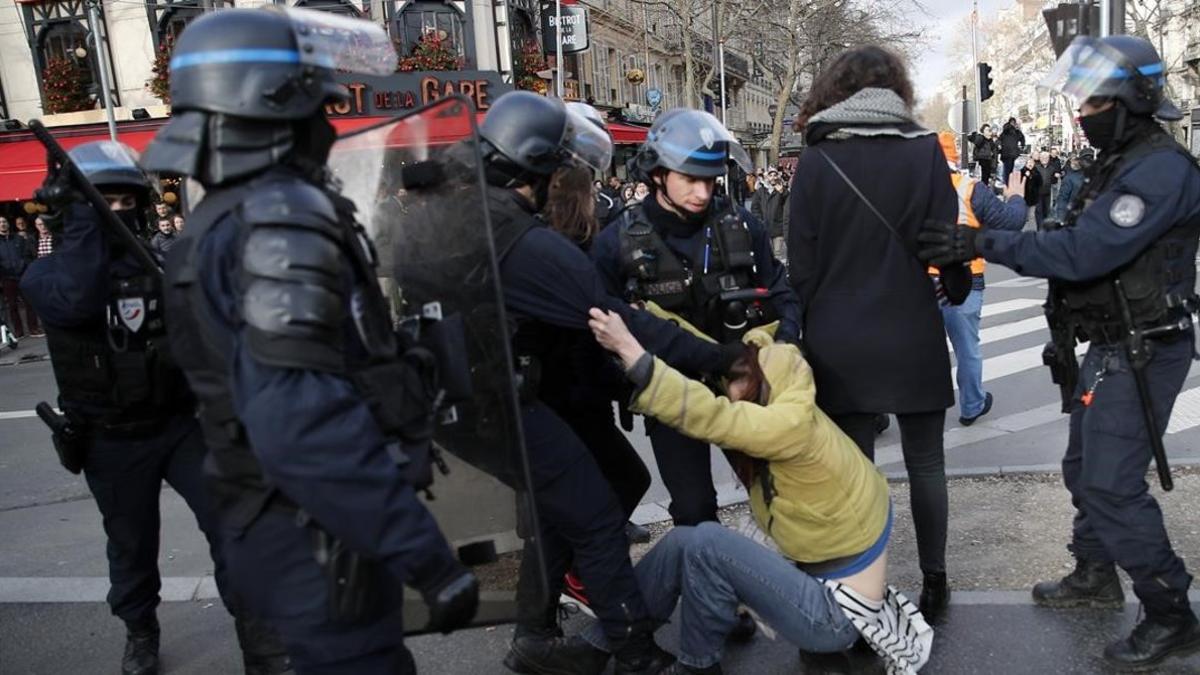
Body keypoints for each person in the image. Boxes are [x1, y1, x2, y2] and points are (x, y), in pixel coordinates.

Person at [141, 8, 479, 672]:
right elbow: (302, 424)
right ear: (274, 115)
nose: (328, 127)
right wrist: (427, 558)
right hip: (318, 542)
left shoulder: (219, 223)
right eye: (314, 111)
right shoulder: (277, 226)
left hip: (286, 530)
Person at [918, 35, 1200, 670]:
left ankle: (1171, 613)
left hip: (1146, 346)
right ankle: (1095, 572)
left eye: (1094, 99)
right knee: (1083, 468)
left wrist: (978, 242)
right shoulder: (1121, 161)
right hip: (1113, 342)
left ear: (1132, 100)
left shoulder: (1159, 168)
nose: (1081, 112)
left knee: (1111, 483)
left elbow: (1086, 252)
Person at [475, 91, 746, 675]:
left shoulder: (505, 219)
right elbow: (622, 321)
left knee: (600, 492)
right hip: (534, 395)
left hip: (543, 390)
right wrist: (719, 357)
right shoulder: (535, 241)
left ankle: (538, 630)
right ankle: (634, 650)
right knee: (596, 513)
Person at [20, 140, 290, 675]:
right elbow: (75, 297)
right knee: (132, 547)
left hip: (181, 425)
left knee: (235, 526)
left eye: (125, 202)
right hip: (109, 436)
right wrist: (82, 225)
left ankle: (261, 642)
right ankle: (140, 631)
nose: (116, 213)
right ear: (77, 210)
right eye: (103, 203)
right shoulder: (48, 276)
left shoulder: (161, 264)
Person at [578, 310, 933, 674]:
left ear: (764, 385)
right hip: (819, 580)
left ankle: (697, 666)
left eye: (737, 383)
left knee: (707, 545)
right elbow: (709, 350)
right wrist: (643, 312)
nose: (728, 394)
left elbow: (718, 419)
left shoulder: (790, 427)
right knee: (684, 540)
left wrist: (633, 353)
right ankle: (596, 644)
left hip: (834, 617)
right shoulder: (778, 390)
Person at [786, 45, 972, 624]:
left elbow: (801, 266)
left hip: (839, 338)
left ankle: (861, 588)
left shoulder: (817, 159)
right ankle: (935, 582)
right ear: (898, 91)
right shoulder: (924, 152)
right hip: (911, 328)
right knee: (927, 465)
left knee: (855, 475)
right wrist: (955, 283)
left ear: (835, 90)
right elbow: (946, 241)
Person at [591, 109, 802, 529]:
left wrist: (787, 346)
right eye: (689, 179)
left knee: (783, 497)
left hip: (744, 382)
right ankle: (710, 588)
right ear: (657, 174)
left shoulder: (741, 224)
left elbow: (781, 288)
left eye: (709, 180)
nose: (702, 192)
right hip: (673, 393)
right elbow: (606, 320)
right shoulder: (616, 241)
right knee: (694, 510)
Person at [932, 132, 1028, 426]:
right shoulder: (969, 188)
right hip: (965, 282)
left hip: (924, 284)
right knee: (967, 349)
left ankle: (919, 409)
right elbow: (1011, 222)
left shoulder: (912, 191)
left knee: (920, 350)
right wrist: (1015, 198)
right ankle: (972, 405)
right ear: (954, 156)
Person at [0, 216, 40, 338]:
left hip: (23, 275)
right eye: (0, 223)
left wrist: (24, 267)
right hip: (7, 278)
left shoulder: (19, 238)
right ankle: (19, 332)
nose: (2, 224)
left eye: (4, 222)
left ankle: (33, 329)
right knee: (12, 306)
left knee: (30, 303)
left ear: (8, 224)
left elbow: (27, 255)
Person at [1053, 155, 1086, 222]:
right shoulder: (1089, 177)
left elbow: (1063, 197)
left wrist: (1060, 217)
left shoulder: (1069, 178)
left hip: (1072, 211)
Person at [999, 117, 1026, 185]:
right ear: (1014, 122)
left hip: (1005, 153)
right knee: (1010, 170)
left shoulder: (1004, 131)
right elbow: (1022, 138)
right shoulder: (1016, 131)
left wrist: (999, 148)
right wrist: (1022, 146)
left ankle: (1006, 184)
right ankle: (1009, 184)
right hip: (1013, 153)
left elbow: (999, 140)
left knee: (1006, 170)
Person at [1033, 151, 1057, 226]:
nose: (1044, 159)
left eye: (1046, 158)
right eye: (1042, 157)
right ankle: (1039, 228)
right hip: (1038, 193)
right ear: (1040, 158)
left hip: (1047, 193)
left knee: (1046, 211)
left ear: (1048, 159)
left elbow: (1053, 181)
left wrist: (1056, 176)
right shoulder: (1036, 168)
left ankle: (1045, 228)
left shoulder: (1052, 168)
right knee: (1039, 211)